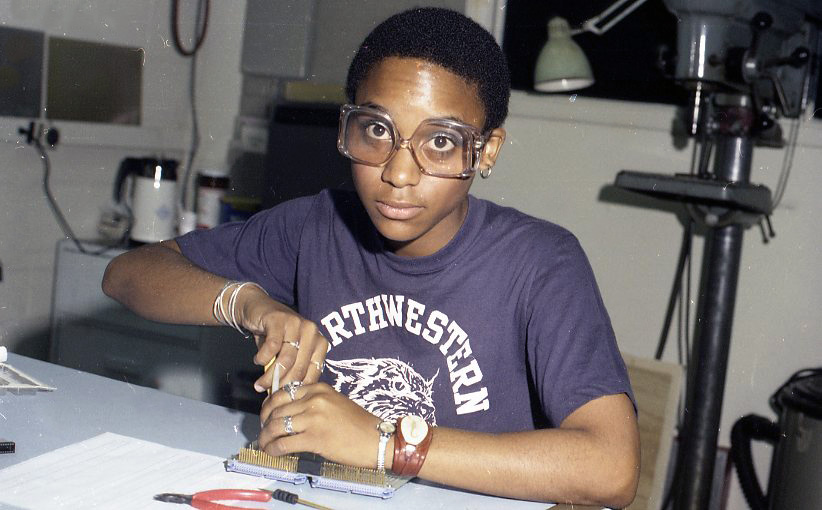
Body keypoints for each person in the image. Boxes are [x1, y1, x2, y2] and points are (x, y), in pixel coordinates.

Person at [103, 7, 639, 508]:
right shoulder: (314, 226)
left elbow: (613, 467)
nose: (398, 174)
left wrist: (384, 443)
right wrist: (247, 303)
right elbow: (126, 274)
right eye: (378, 131)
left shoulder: (540, 261)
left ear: (487, 150)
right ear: (345, 129)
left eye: (442, 142)